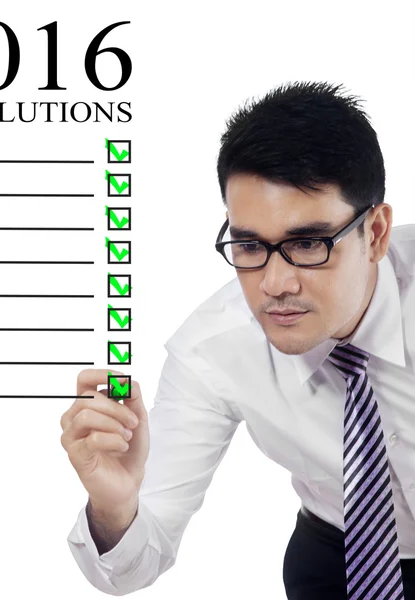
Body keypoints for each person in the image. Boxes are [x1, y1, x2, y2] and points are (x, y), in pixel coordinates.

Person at [60, 81, 415, 599]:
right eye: (249, 245)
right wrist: (114, 507)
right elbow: (135, 566)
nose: (275, 284)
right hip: (336, 559)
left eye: (308, 242)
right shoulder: (214, 348)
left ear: (376, 234)